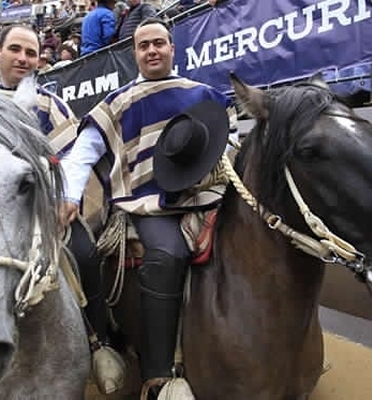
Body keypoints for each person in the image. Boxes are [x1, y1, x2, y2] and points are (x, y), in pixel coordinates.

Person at [0, 23, 125, 395]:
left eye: (31, 53)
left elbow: (67, 160)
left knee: (84, 250)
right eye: (16, 49)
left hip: (36, 210)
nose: (24, 59)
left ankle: (98, 341)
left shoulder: (50, 104)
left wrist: (66, 198)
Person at [60, 17, 236, 399]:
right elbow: (82, 154)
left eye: (159, 43)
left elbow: (230, 140)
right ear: (135, 53)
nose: (152, 50)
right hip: (148, 204)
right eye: (144, 46)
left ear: (173, 48)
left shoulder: (204, 93)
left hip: (210, 195)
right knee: (168, 253)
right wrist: (70, 197)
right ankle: (159, 375)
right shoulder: (117, 102)